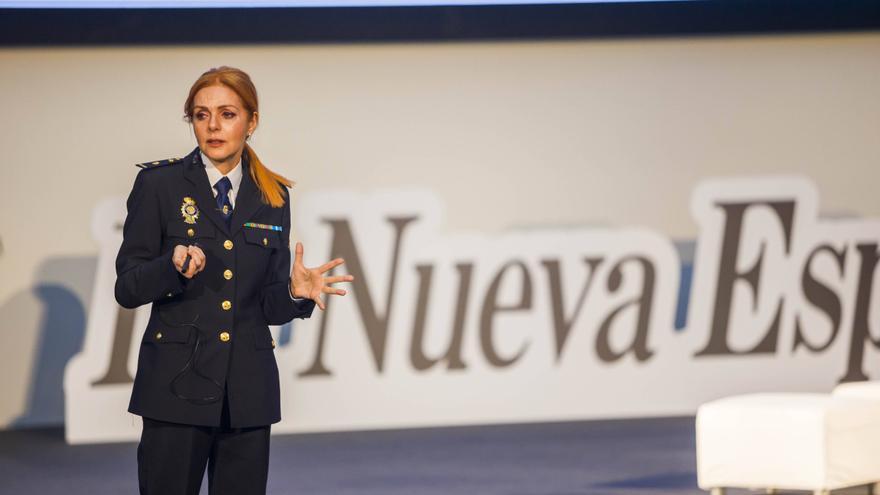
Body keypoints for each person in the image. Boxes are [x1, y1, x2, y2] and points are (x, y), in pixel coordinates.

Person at [114, 65, 354, 495]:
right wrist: (170, 266)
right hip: (175, 387)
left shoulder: (273, 195)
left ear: (252, 120)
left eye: (226, 114)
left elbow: (268, 306)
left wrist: (295, 294)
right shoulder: (159, 185)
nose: (213, 126)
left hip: (246, 392)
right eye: (201, 115)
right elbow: (128, 287)